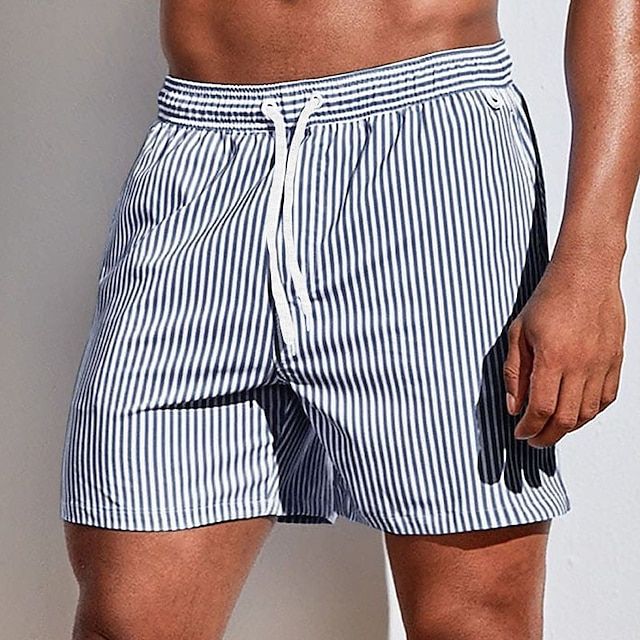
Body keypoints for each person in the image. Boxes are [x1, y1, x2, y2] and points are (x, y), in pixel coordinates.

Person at [58, 1, 639, 638]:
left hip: (428, 160)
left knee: (473, 621)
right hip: (195, 164)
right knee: (124, 621)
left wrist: (591, 263)